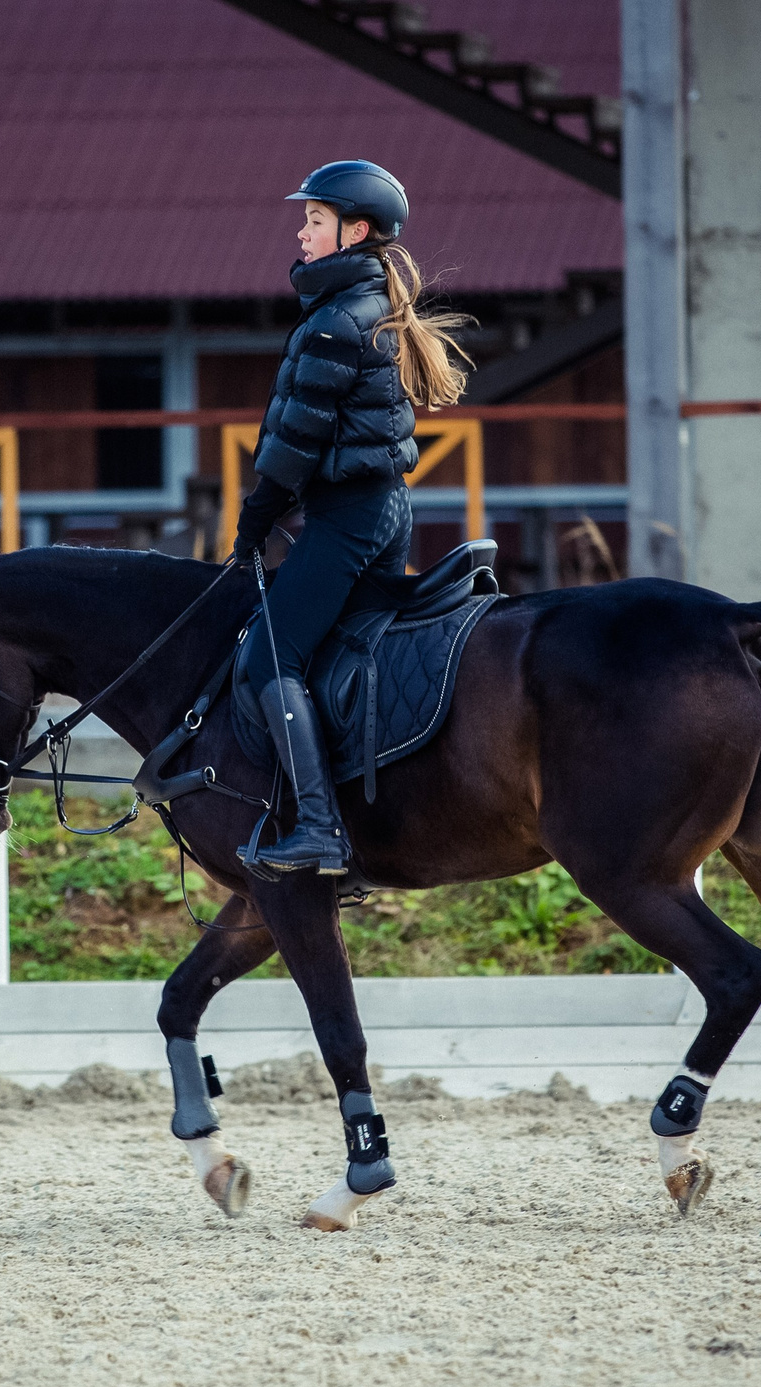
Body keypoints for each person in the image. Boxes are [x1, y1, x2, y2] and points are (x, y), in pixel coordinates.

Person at [231, 159, 471, 876]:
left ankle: (319, 829)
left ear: (355, 232)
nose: (301, 233)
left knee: (271, 657)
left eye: (314, 220)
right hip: (382, 511)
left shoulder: (336, 322)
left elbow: (295, 440)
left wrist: (256, 516)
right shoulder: (361, 308)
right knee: (340, 654)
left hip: (347, 519)